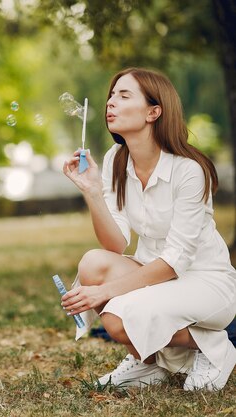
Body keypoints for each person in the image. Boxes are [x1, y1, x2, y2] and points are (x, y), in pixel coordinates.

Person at [61, 67, 236, 391]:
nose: (111, 102)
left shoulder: (190, 170)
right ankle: (148, 363)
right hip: (153, 272)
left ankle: (214, 349)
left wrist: (105, 293)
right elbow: (115, 244)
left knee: (116, 317)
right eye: (111, 95)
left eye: (124, 95)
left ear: (154, 111)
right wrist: (92, 192)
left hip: (203, 280)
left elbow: (175, 262)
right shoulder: (116, 159)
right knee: (92, 264)